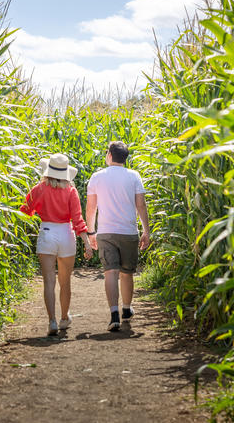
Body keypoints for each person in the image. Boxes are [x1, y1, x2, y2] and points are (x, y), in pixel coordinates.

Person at [20, 153, 94, 335]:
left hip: (46, 232)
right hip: (66, 234)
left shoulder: (39, 188)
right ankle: (64, 318)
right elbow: (77, 219)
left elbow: (24, 211)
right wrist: (87, 243)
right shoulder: (70, 191)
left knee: (48, 282)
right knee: (65, 282)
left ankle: (52, 321)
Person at [86, 141, 150, 332]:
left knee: (110, 273)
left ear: (109, 155)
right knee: (127, 272)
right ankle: (126, 309)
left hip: (106, 232)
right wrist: (146, 230)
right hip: (128, 232)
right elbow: (141, 205)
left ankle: (114, 314)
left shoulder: (97, 177)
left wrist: (91, 232)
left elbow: (91, 208)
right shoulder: (134, 176)